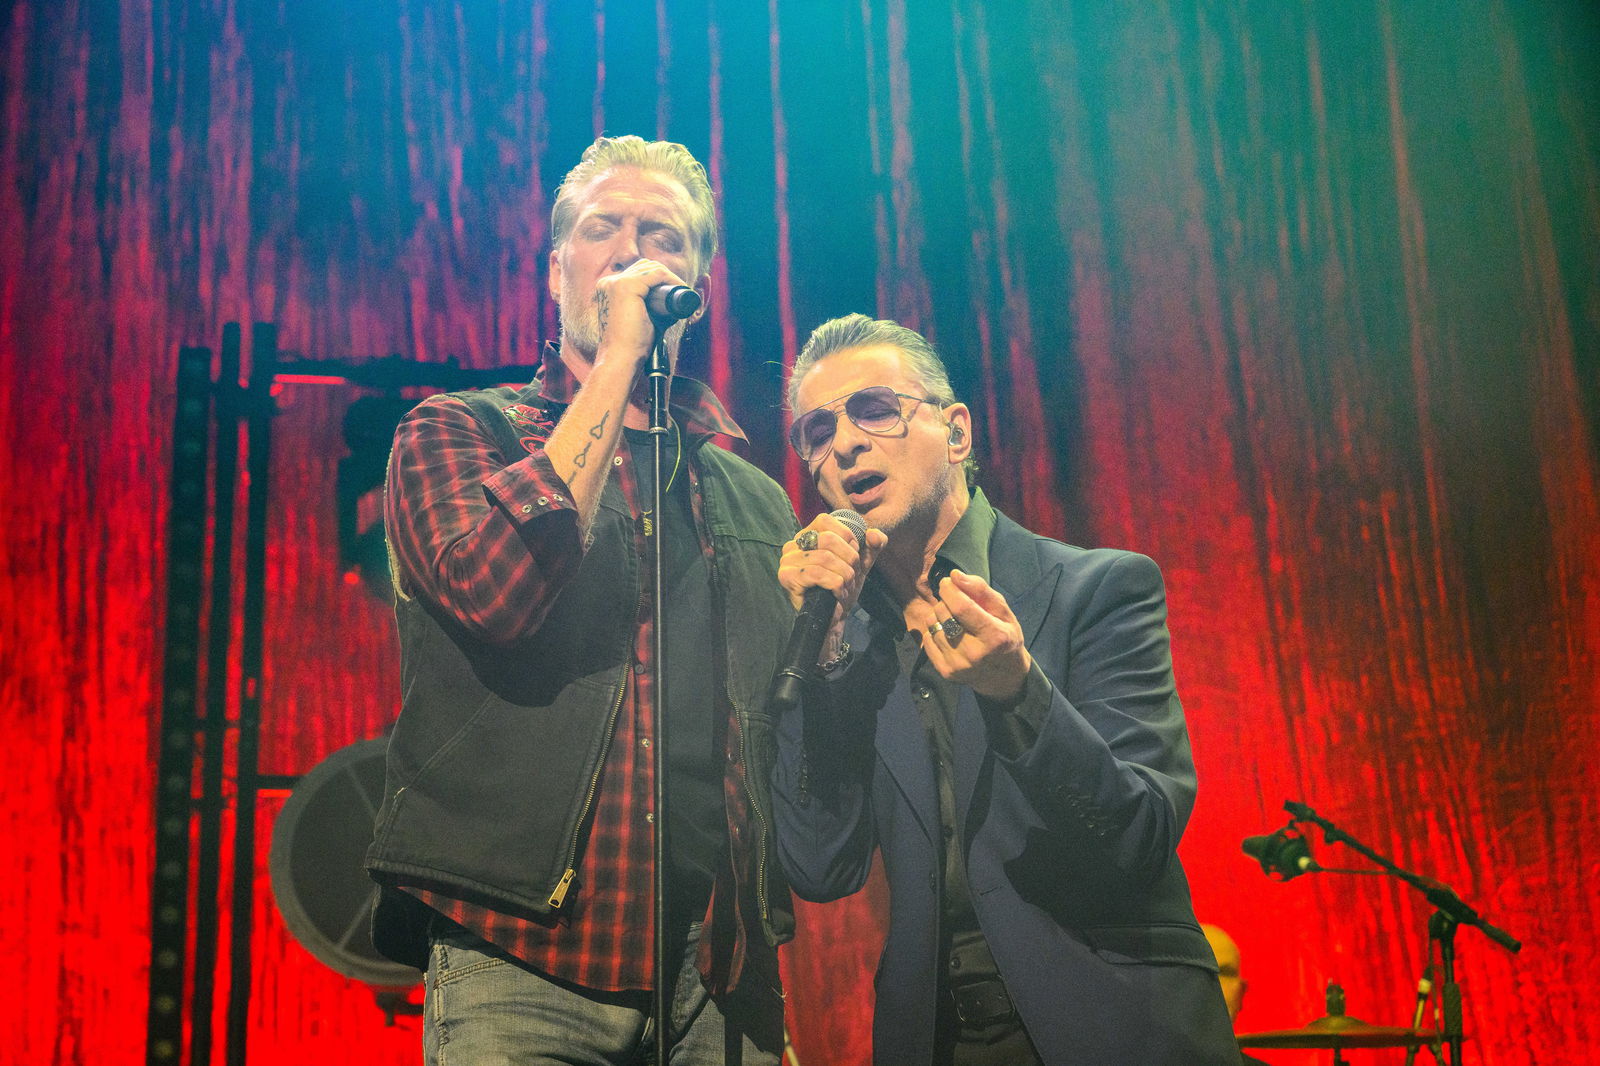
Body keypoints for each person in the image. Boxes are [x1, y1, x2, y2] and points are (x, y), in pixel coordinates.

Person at [365, 135, 798, 1065]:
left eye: (664, 238)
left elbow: (782, 727)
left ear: (700, 281)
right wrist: (615, 366)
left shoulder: (752, 496)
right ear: (558, 269)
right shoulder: (457, 433)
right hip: (522, 957)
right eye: (603, 230)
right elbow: (499, 592)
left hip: (716, 974)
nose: (633, 253)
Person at [768, 314, 1240, 1065]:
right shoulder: (848, 647)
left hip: (1115, 1025)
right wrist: (823, 656)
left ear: (955, 433)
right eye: (818, 430)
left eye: (874, 410)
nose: (845, 442)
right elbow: (821, 866)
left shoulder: (1098, 588)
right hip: (940, 1041)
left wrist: (1021, 693)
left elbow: (1140, 833)